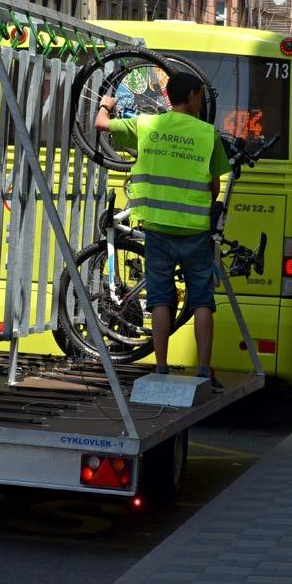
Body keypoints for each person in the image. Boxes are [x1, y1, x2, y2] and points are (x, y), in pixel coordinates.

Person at [94, 72, 230, 391]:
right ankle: (202, 371)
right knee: (202, 303)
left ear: (168, 96)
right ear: (195, 95)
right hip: (195, 232)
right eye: (200, 95)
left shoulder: (146, 125)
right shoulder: (208, 134)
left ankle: (161, 367)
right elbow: (214, 185)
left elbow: (102, 126)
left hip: (156, 229)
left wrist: (105, 105)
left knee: (159, 300)